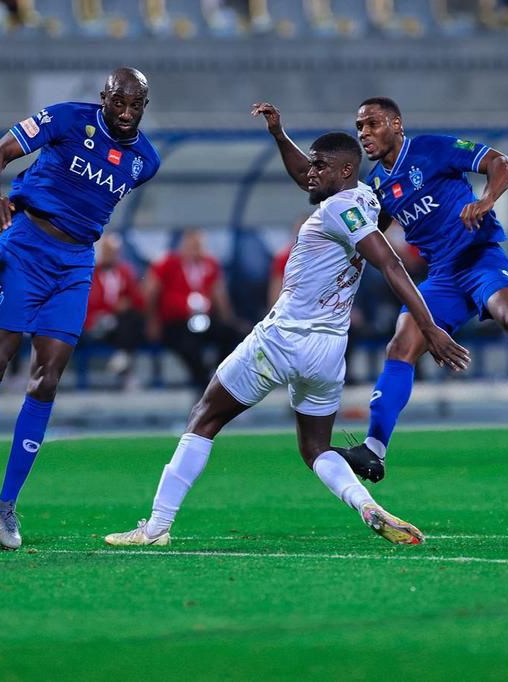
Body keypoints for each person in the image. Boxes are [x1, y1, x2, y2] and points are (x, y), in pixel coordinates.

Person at [104, 119, 470, 548]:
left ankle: (155, 527)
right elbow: (312, 178)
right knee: (315, 448)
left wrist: (430, 328)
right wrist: (279, 136)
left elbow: (389, 264)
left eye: (320, 166)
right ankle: (365, 505)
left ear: (345, 172)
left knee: (204, 418)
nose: (310, 173)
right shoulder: (367, 201)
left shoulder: (337, 209)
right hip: (330, 352)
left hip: (283, 339)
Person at [323, 97, 508, 482]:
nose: (364, 133)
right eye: (359, 126)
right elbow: (371, 233)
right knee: (401, 345)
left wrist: (486, 200)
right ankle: (374, 449)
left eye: (372, 124)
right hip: (443, 278)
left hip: (480, 258)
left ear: (396, 124)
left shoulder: (431, 148)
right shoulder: (378, 184)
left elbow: (502, 164)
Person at [0, 67, 161, 550]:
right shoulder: (67, 119)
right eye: (118, 102)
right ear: (103, 98)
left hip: (76, 263)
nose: (126, 113)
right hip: (26, 243)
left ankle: (5, 504)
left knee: (48, 377)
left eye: (136, 106)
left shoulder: (145, 161)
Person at [144, 227, 243, 392]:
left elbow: (219, 294)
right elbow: (150, 292)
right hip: (176, 322)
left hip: (203, 319)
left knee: (233, 333)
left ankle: (219, 374)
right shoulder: (167, 263)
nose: (195, 250)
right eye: (191, 245)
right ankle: (205, 385)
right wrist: (152, 322)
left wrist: (228, 318)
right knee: (189, 347)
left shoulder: (210, 264)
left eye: (198, 246)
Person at [81, 232, 145, 381]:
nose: (111, 255)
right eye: (107, 251)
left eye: (114, 252)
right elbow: (89, 303)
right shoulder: (90, 273)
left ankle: (123, 358)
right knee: (126, 322)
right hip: (96, 322)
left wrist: (127, 303)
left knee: (132, 319)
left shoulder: (125, 272)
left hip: (120, 322)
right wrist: (112, 308)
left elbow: (138, 299)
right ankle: (125, 364)